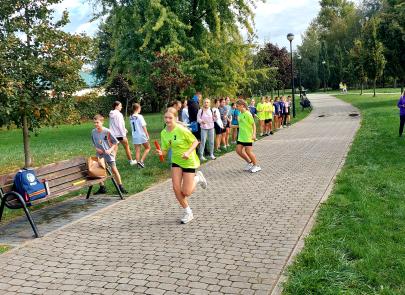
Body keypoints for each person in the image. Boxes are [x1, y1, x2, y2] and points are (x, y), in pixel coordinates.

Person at [157, 107, 207, 224]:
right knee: (176, 188)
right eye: (166, 117)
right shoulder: (164, 132)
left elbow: (195, 141)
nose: (168, 120)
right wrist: (162, 153)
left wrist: (188, 152)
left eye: (170, 118)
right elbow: (165, 149)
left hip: (189, 161)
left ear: (176, 118)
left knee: (186, 192)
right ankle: (188, 212)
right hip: (176, 161)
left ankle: (198, 178)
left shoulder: (182, 130)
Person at [92, 114, 128, 194]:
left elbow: (115, 142)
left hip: (108, 155)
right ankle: (102, 187)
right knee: (98, 170)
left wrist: (110, 150)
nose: (95, 124)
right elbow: (94, 143)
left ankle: (120, 186)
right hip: (100, 155)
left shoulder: (107, 131)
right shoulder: (93, 132)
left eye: (97, 122)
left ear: (102, 122)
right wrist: (97, 148)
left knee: (114, 170)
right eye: (94, 123)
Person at [235, 100, 261, 173]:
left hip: (248, 136)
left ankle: (256, 166)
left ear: (242, 106)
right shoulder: (240, 114)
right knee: (238, 150)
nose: (236, 108)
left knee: (248, 151)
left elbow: (253, 125)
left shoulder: (248, 114)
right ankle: (250, 163)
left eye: (237, 106)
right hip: (241, 136)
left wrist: (254, 134)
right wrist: (232, 126)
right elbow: (240, 125)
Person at [109, 101, 136, 165]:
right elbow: (120, 125)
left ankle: (111, 164)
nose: (121, 107)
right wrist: (123, 134)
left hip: (113, 134)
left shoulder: (111, 114)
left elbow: (115, 124)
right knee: (126, 146)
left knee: (114, 150)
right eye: (120, 106)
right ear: (116, 106)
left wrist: (124, 129)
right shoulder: (119, 114)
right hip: (120, 135)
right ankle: (131, 161)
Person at [129, 103, 151, 168]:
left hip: (135, 135)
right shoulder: (140, 116)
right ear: (138, 109)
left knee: (137, 150)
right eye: (140, 108)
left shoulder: (130, 117)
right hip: (141, 135)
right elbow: (143, 126)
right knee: (148, 148)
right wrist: (147, 134)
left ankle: (138, 165)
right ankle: (141, 161)